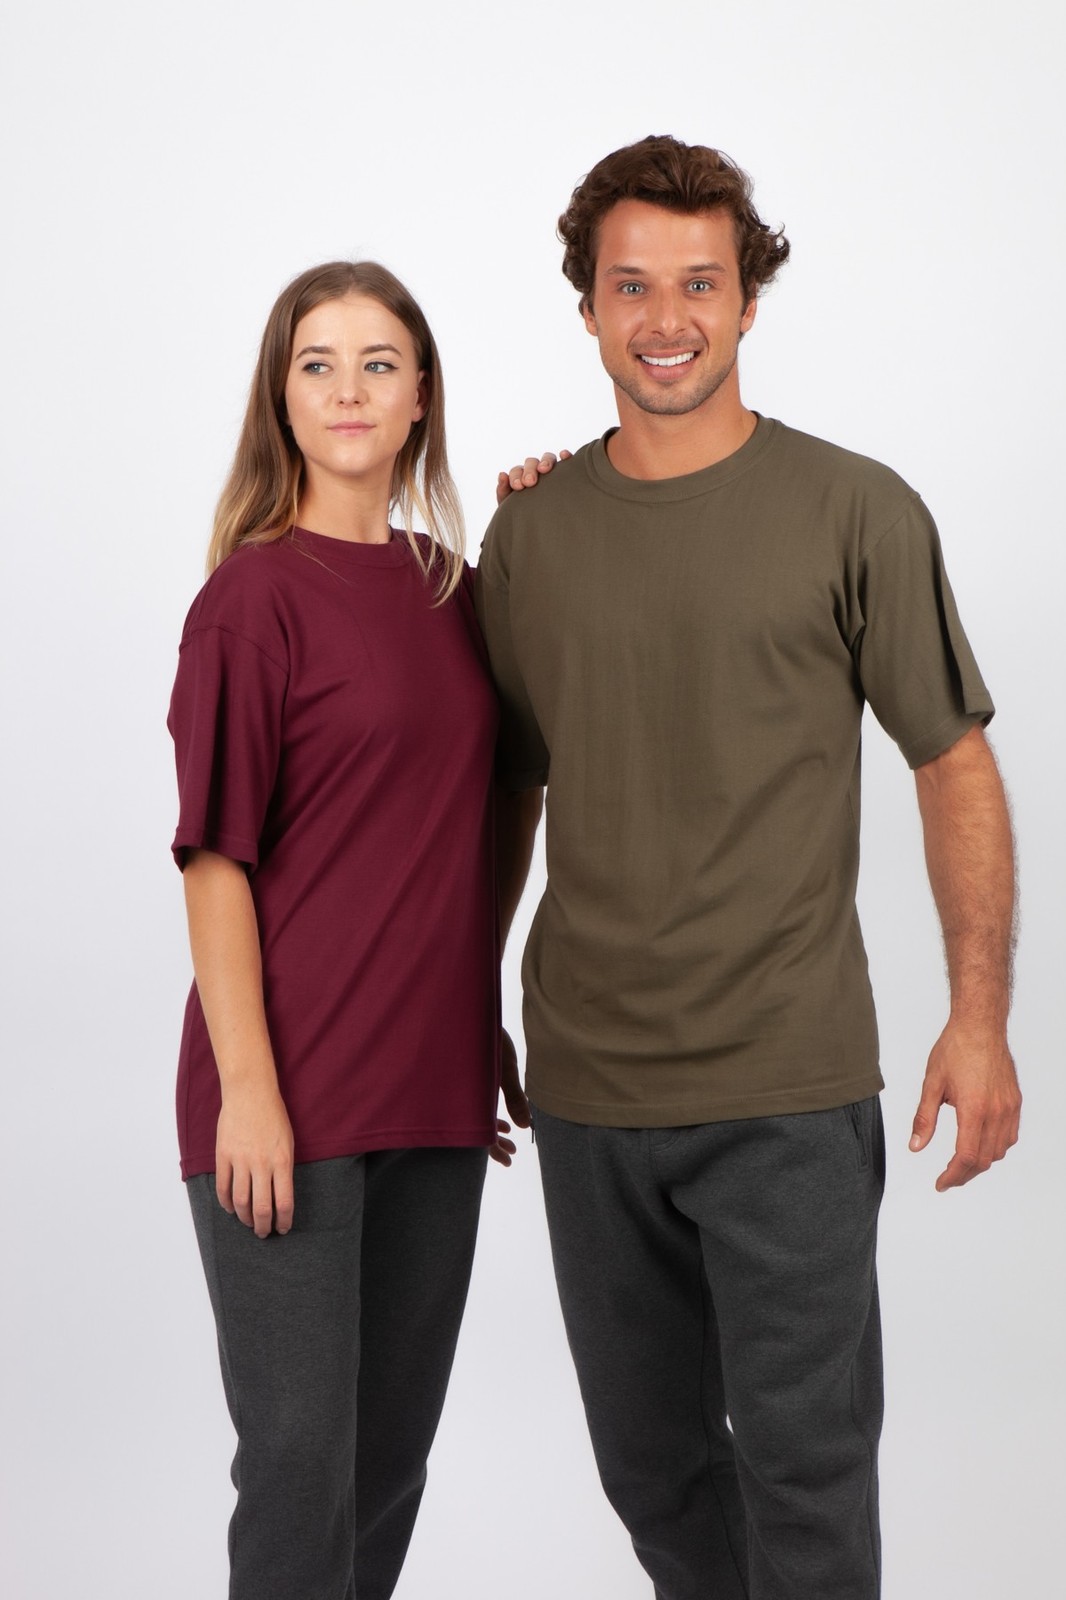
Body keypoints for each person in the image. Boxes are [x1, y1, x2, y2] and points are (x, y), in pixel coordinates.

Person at [478, 136, 1021, 1600]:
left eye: (699, 283)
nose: (666, 318)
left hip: (786, 1088)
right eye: (630, 285)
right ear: (587, 308)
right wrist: (471, 1000)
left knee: (806, 1474)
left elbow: (951, 764)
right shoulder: (529, 535)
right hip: (588, 1088)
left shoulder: (855, 509)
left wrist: (978, 1018)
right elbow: (509, 787)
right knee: (651, 1472)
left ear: (748, 300)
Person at [168, 259, 532, 1600]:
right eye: (316, 364)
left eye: (379, 363)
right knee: (298, 1462)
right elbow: (215, 857)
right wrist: (250, 1092)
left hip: (435, 1090)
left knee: (385, 1469)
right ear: (281, 397)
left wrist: (552, 512)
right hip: (289, 1097)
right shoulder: (252, 599)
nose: (348, 390)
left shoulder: (457, 591)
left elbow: (495, 807)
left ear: (421, 393)